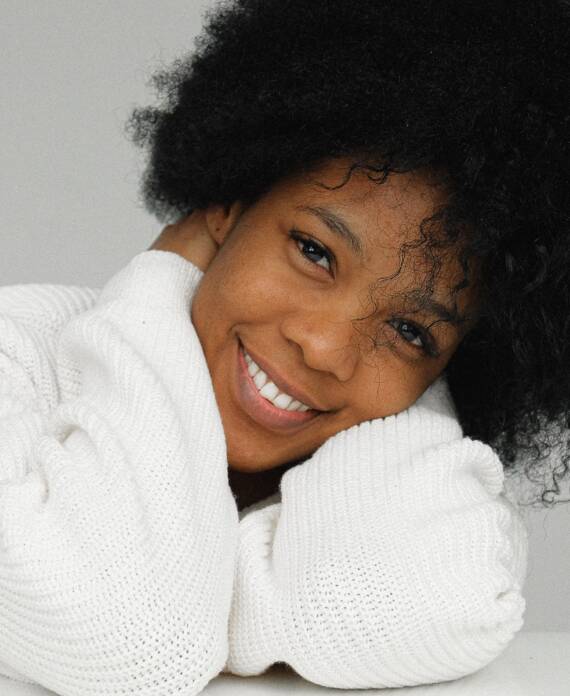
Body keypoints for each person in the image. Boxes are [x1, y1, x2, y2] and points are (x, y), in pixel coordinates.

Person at [0, 0, 567, 694]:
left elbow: (448, 606)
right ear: (228, 203)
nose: (325, 347)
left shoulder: (402, 476)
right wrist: (155, 289)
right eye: (314, 251)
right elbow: (134, 642)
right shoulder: (14, 358)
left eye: (411, 332)